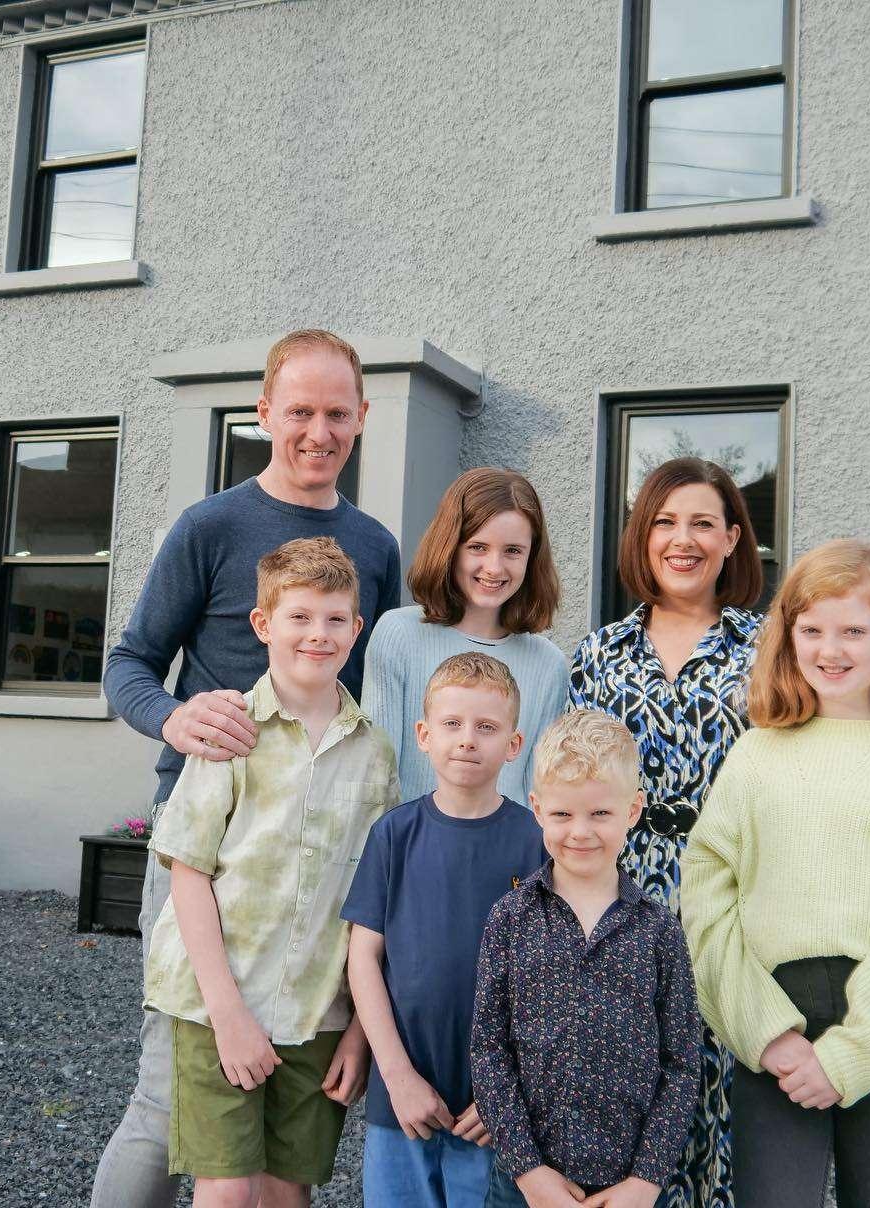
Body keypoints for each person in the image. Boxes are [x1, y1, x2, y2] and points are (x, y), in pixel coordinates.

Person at [566, 457, 870, 1208]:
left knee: (734, 1089)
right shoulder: (596, 656)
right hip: (625, 892)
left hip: (745, 895)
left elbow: (846, 733)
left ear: (733, 541)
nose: (683, 540)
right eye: (664, 522)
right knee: (633, 1088)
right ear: (641, 538)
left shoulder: (773, 644)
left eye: (704, 524)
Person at [94, 329, 402, 1207]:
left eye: (337, 413)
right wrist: (176, 714)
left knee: (276, 1110)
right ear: (263, 412)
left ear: (362, 419)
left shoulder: (373, 547)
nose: (318, 430)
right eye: (299, 410)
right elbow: (130, 663)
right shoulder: (210, 526)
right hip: (207, 841)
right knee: (168, 1100)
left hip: (310, 855)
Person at [680, 539, 870, 1208]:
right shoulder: (756, 757)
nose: (832, 648)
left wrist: (848, 1056)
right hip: (775, 1034)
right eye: (812, 629)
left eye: (854, 630)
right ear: (787, 635)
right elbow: (706, 899)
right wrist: (766, 1033)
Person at [143, 537, 401, 1206]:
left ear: (357, 628)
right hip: (218, 1004)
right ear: (263, 625)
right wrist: (229, 1014)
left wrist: (360, 1030)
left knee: (289, 1191)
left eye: (335, 619)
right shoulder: (230, 731)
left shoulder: (375, 752)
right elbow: (189, 873)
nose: (318, 634)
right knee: (226, 1190)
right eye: (300, 617)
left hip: (318, 1011)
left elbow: (377, 900)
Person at [471, 710, 701, 1208]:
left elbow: (682, 1065)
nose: (580, 832)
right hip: (525, 1185)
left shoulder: (659, 930)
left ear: (633, 810)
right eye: (562, 814)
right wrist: (529, 1171)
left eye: (600, 814)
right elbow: (489, 1051)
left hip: (632, 1187)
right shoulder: (510, 920)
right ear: (536, 808)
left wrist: (647, 1180)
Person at [341, 652, 547, 1208]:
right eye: (452, 725)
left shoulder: (535, 843)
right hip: (401, 1093)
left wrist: (509, 1091)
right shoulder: (394, 835)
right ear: (424, 734)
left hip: (493, 1104)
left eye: (486, 727)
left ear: (514, 744)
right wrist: (396, 1074)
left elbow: (549, 980)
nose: (467, 740)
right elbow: (363, 960)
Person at [362, 467, 568, 806]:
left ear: (532, 557)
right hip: (409, 850)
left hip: (509, 856)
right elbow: (378, 778)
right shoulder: (398, 634)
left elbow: (538, 795)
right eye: (478, 547)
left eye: (513, 551)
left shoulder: (547, 663)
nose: (494, 567)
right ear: (450, 547)